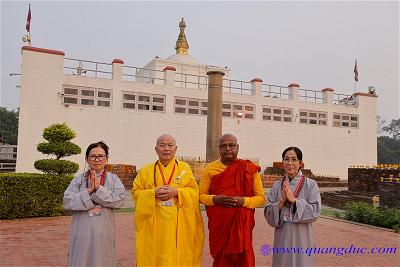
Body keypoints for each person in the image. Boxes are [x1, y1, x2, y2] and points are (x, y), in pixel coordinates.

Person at [132, 134, 204, 267]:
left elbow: (194, 193)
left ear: (176, 149)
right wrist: (152, 193)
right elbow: (135, 193)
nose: (166, 149)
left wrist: (176, 191)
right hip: (154, 223)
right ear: (156, 149)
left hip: (179, 223)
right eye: (162, 145)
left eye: (170, 145)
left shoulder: (184, 168)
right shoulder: (146, 170)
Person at [199, 133, 266, 267]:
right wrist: (215, 199)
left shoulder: (248, 168)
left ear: (237, 147)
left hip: (240, 225)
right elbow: (200, 196)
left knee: (243, 258)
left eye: (231, 145)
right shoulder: (210, 169)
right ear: (219, 149)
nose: (228, 149)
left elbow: (261, 199)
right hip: (219, 225)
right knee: (220, 259)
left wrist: (243, 201)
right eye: (224, 146)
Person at [63, 141, 126, 267]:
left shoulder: (113, 179)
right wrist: (89, 190)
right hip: (81, 230)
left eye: (101, 156)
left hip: (103, 230)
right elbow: (68, 202)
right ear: (86, 159)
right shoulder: (78, 180)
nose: (97, 159)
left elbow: (119, 201)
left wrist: (99, 189)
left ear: (106, 158)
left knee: (103, 260)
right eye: (93, 156)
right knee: (81, 259)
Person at [264, 146, 321, 267]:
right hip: (282, 236)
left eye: (294, 160)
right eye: (286, 159)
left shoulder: (311, 185)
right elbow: (268, 213)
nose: (290, 163)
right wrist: (280, 203)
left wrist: (295, 201)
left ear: (300, 163)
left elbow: (315, 211)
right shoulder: (277, 186)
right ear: (282, 162)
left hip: (302, 237)